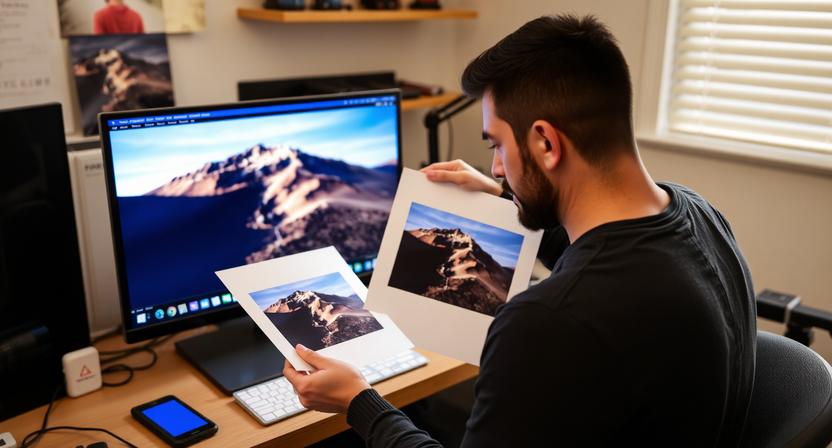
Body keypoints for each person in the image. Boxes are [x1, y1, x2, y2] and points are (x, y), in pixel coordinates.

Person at [283, 14, 757, 447]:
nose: (497, 166)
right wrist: (499, 193)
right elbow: (595, 247)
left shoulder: (549, 321)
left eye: (498, 146)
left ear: (546, 142)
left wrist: (359, 402)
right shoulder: (698, 213)